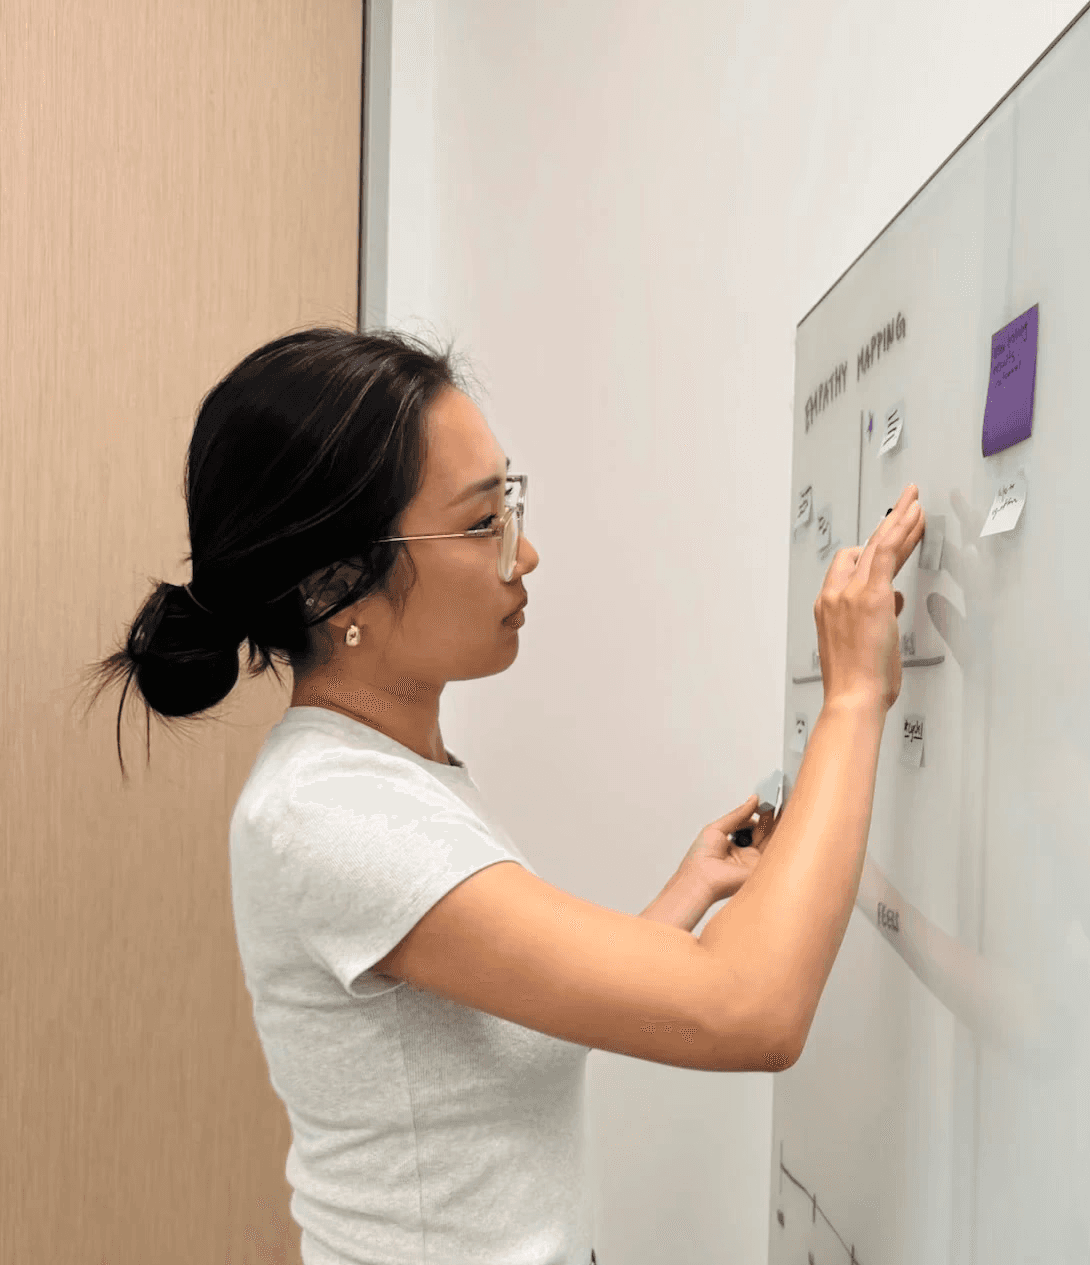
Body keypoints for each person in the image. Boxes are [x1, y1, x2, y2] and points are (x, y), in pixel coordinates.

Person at [77, 325, 924, 1264]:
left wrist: (689, 890)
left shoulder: (398, 776)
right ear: (334, 585)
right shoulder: (332, 813)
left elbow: (520, 1017)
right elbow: (751, 1009)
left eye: (507, 507)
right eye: (483, 524)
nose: (524, 557)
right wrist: (852, 697)